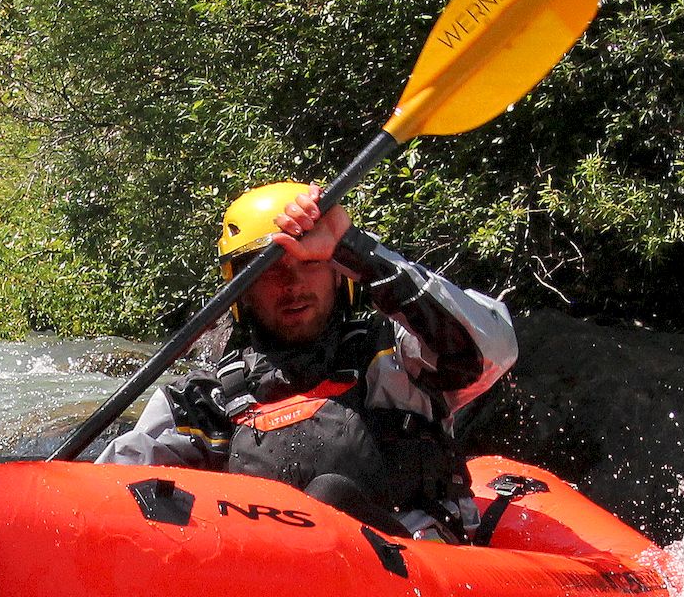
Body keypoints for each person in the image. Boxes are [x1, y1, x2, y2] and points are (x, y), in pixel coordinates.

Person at [97, 181, 516, 538]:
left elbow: (497, 348)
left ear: (339, 273)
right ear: (241, 291)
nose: (293, 284)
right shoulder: (202, 401)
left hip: (418, 583)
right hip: (283, 593)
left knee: (330, 494)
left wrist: (357, 250)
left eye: (311, 263)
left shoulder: (399, 355)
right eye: (271, 269)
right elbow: (110, 488)